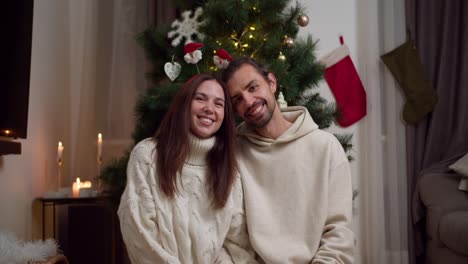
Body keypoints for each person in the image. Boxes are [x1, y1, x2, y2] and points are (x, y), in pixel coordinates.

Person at [222, 58, 354, 264]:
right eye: (237, 99)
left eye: (253, 87)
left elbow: (338, 232)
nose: (248, 102)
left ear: (272, 83)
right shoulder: (233, 155)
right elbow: (232, 238)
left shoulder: (325, 147)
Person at [118, 73, 257, 264]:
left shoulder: (228, 168)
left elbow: (237, 244)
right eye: (200, 99)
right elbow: (140, 236)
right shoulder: (147, 156)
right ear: (184, 104)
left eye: (219, 104)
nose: (209, 109)